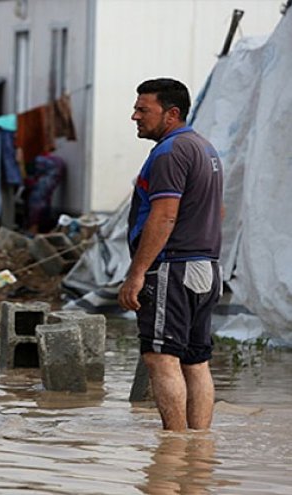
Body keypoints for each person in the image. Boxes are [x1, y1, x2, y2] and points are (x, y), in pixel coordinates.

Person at [118, 78, 224, 431]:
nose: (135, 116)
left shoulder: (169, 152)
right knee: (195, 361)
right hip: (206, 268)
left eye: (143, 109)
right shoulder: (205, 149)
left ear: (171, 113)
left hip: (173, 269)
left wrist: (136, 274)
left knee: (161, 358)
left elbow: (165, 215)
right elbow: (218, 212)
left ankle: (174, 447)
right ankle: (197, 449)